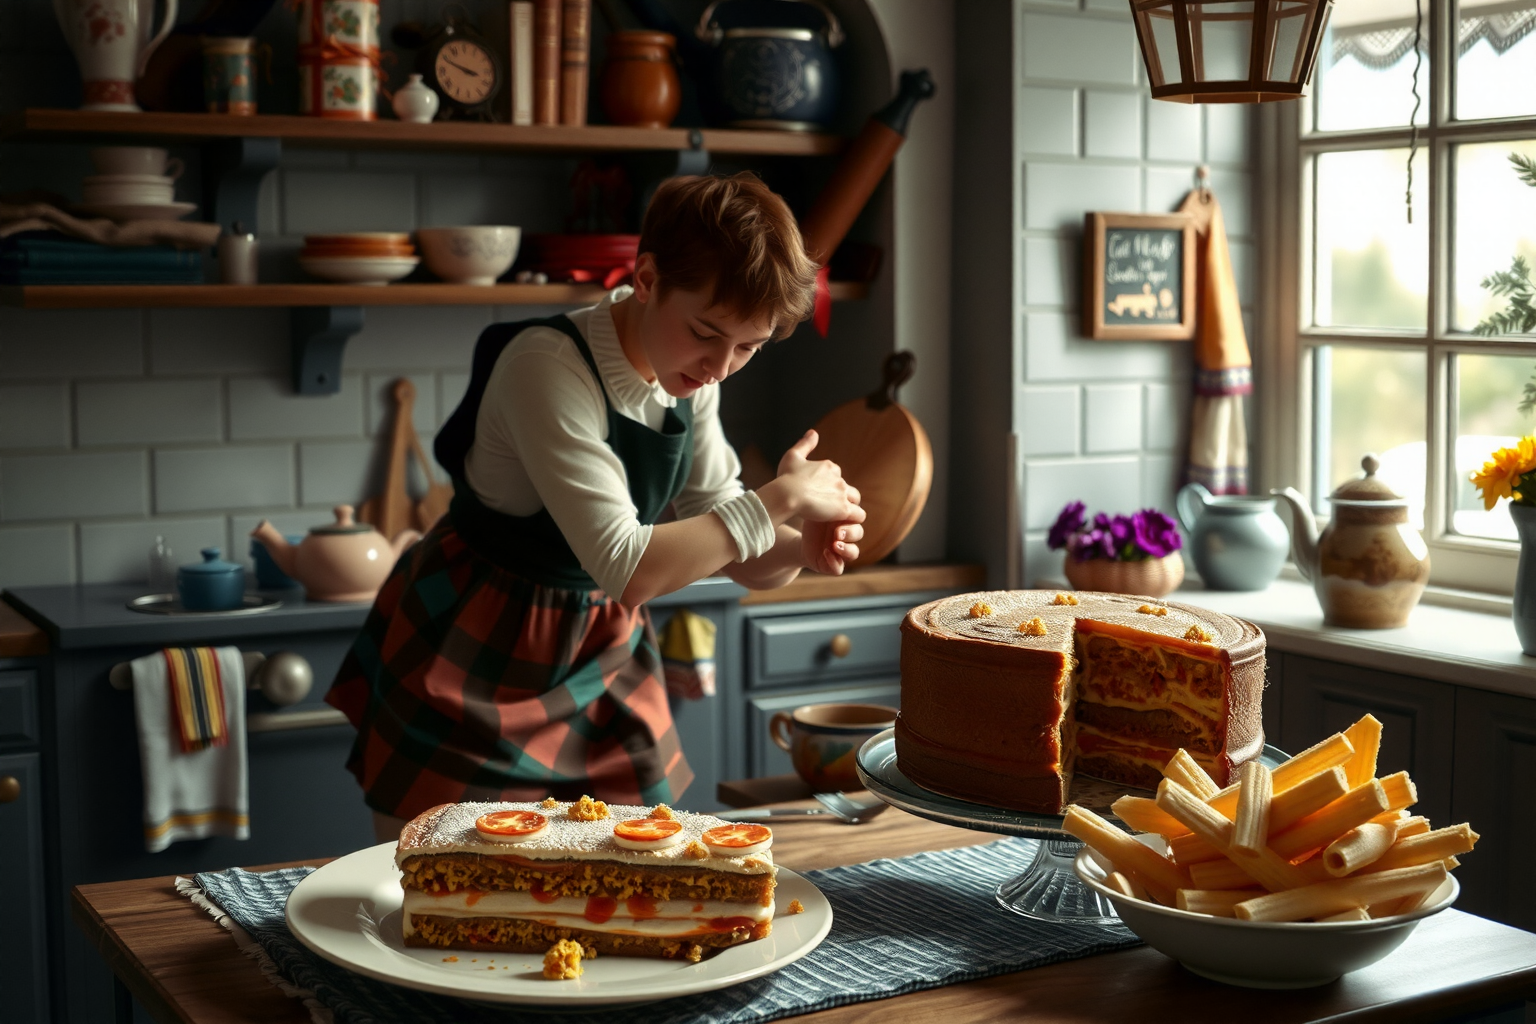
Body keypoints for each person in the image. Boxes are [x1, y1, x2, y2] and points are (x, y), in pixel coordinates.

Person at [326, 173, 866, 842]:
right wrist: (781, 500)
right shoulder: (547, 367)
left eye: (749, 346)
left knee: (638, 861)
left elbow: (727, 534)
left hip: (599, 652)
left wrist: (799, 549)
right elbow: (631, 568)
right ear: (645, 278)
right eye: (706, 332)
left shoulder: (692, 374)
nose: (721, 366)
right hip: (475, 644)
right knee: (441, 870)